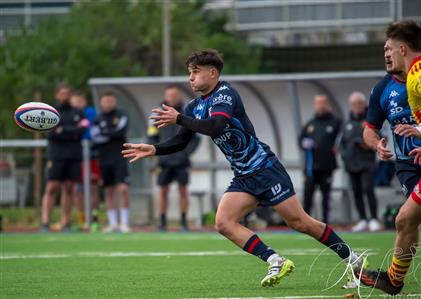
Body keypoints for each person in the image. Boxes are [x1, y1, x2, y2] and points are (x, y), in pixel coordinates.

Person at [122, 49, 365, 287]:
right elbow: (180, 141)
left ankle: (354, 261)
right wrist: (154, 149)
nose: (190, 78)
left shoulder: (225, 94)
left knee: (300, 223)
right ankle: (275, 260)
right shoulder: (193, 107)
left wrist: (179, 119)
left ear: (213, 73)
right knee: (224, 223)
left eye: (195, 72)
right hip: (244, 176)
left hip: (265, 169)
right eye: (189, 72)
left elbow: (216, 126)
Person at [356, 20, 421, 295]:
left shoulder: (419, 72)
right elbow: (369, 129)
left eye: (388, 48)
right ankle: (393, 280)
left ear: (401, 48)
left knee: (407, 220)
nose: (386, 54)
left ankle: (393, 280)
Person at [148, 85, 200, 231]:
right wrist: (155, 151)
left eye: (174, 95)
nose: (172, 98)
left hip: (181, 160)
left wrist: (186, 152)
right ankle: (162, 223)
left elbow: (196, 138)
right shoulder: (157, 113)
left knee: (183, 190)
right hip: (164, 160)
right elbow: (152, 135)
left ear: (179, 96)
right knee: (163, 191)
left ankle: (183, 222)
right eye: (169, 95)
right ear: (165, 97)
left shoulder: (187, 113)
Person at [41, 84, 87, 232]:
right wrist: (71, 131)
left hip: (74, 155)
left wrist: (62, 130)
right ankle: (45, 222)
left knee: (68, 188)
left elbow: (81, 131)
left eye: (68, 94)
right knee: (52, 187)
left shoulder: (78, 112)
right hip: (56, 155)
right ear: (57, 95)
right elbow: (52, 133)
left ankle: (66, 222)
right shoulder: (50, 113)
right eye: (62, 94)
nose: (65, 96)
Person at [340, 92, 380, 232]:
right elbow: (342, 143)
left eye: (359, 103)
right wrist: (344, 155)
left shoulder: (371, 120)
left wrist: (367, 144)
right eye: (353, 104)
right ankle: (362, 219)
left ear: (364, 105)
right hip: (351, 164)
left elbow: (379, 137)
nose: (356, 107)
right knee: (356, 192)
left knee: (368, 189)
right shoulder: (347, 123)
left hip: (367, 162)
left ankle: (374, 218)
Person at [92, 92, 131, 233]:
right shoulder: (97, 118)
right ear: (101, 103)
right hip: (104, 157)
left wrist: (105, 132)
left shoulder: (122, 114)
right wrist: (110, 133)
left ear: (114, 102)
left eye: (110, 101)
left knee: (123, 189)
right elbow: (95, 137)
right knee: (108, 190)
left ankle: (124, 223)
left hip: (120, 156)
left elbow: (120, 132)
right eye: (105, 101)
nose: (108, 104)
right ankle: (113, 224)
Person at [298, 95, 341, 223]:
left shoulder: (335, 122)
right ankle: (305, 220)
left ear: (327, 105)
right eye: (317, 103)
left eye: (322, 103)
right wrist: (304, 143)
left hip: (327, 166)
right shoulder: (310, 123)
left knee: (326, 195)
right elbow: (300, 139)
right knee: (308, 193)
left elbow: (340, 141)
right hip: (311, 167)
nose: (320, 106)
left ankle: (325, 221)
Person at [69, 91, 101, 231]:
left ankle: (94, 219)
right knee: (77, 189)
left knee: (93, 187)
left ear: (84, 102)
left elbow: (91, 131)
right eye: (74, 102)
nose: (77, 105)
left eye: (79, 102)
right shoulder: (68, 115)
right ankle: (82, 221)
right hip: (76, 157)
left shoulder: (90, 113)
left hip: (91, 155)